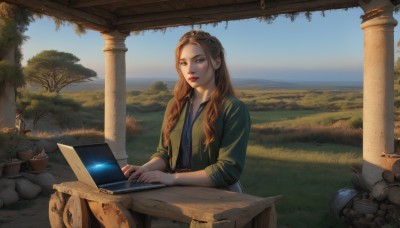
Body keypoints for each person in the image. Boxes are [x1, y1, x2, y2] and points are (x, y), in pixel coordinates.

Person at [122, 30, 251, 192]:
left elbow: (228, 170)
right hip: (175, 190)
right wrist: (145, 168)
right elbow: (164, 153)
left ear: (217, 62)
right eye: (183, 63)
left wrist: (172, 178)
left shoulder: (233, 108)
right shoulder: (175, 105)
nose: (190, 69)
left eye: (199, 60)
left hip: (219, 194)